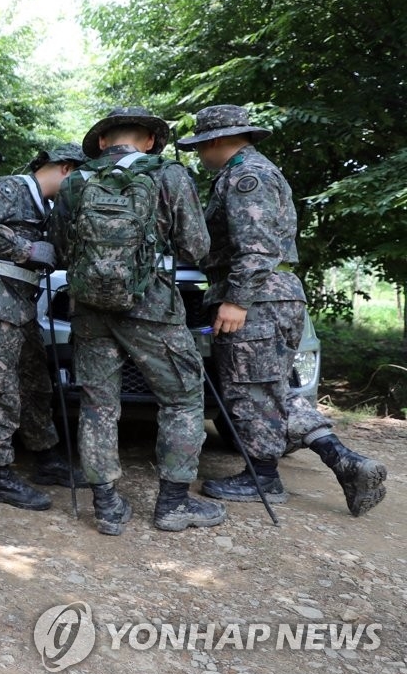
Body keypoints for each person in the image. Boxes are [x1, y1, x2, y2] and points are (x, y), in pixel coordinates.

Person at [177, 104, 387, 516]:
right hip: (274, 296)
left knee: (250, 391)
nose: (202, 156)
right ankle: (346, 462)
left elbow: (255, 247)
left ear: (218, 141)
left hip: (259, 298)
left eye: (203, 147)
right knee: (272, 389)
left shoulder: (245, 178)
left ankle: (264, 478)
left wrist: (237, 300)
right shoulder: (250, 172)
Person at [48, 108, 227, 535]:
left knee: (97, 404)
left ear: (104, 141)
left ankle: (107, 507)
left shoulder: (76, 181)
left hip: (90, 308)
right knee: (182, 399)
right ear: (149, 141)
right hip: (153, 307)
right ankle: (173, 504)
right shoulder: (169, 176)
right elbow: (197, 245)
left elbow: (59, 248)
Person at [0, 143, 91, 509]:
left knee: (36, 384)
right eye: (79, 177)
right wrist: (25, 248)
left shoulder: (47, 207)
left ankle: (46, 457)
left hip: (20, 308)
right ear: (65, 168)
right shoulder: (11, 188)